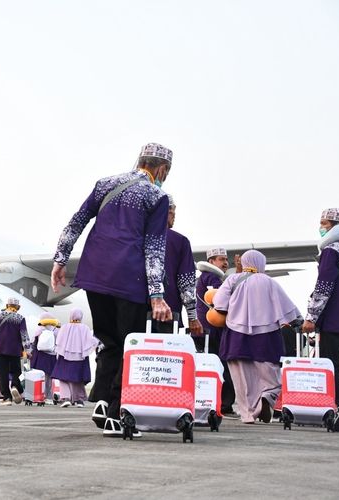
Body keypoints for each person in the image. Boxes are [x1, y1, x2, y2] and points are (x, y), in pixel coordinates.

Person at [51, 142, 173, 436]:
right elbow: (154, 248)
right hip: (129, 280)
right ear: (161, 169)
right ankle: (118, 416)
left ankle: (103, 403)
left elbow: (75, 223)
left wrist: (60, 259)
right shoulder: (157, 196)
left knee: (108, 342)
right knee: (129, 344)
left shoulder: (105, 183)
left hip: (94, 274)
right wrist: (157, 294)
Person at [213, 250, 302, 424]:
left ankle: (248, 414)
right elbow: (288, 309)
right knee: (271, 374)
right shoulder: (269, 281)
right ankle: (267, 396)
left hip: (236, 334)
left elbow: (219, 304)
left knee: (241, 378)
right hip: (266, 334)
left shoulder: (233, 279)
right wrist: (300, 322)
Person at [302, 208, 339, 431]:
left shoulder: (332, 251)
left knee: (331, 365)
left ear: (336, 225)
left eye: (324, 223)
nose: (321, 227)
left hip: (335, 320)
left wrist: (311, 317)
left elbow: (324, 286)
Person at [195, 247, 237, 414]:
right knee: (222, 365)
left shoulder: (203, 277)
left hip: (205, 329)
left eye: (226, 259)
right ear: (211, 261)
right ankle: (224, 403)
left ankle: (212, 400)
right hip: (213, 329)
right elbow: (219, 300)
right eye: (221, 259)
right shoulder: (212, 277)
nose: (226, 263)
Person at [160, 195, 202, 335]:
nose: (174, 216)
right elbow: (186, 283)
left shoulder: (137, 237)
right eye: (173, 212)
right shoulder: (180, 241)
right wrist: (192, 317)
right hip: (168, 313)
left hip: (134, 312)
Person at [0, 297, 31, 406]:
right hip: (15, 349)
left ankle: (7, 398)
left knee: (2, 373)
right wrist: (27, 349)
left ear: (7, 305)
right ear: (18, 307)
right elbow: (24, 335)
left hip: (0, 348)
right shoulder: (20, 318)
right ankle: (15, 386)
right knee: (16, 371)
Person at [52, 309, 98, 408]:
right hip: (81, 357)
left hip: (64, 356)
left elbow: (59, 341)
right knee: (78, 378)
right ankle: (79, 400)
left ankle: (66, 398)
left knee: (63, 377)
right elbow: (91, 341)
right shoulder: (85, 328)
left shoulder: (65, 327)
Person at [30, 312, 60, 404]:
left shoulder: (39, 329)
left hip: (39, 356)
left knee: (38, 377)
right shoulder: (55, 330)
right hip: (51, 357)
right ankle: (48, 397)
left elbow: (33, 343)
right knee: (49, 378)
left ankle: (36, 396)